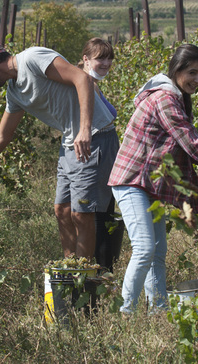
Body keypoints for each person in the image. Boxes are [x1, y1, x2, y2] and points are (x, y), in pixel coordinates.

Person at [108, 43, 198, 315]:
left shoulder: (175, 96)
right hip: (132, 180)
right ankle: (125, 313)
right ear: (177, 70)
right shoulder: (165, 99)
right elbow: (191, 142)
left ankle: (158, 311)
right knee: (143, 249)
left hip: (148, 183)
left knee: (157, 253)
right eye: (192, 72)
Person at [0, 41, 118, 260]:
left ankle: (83, 280)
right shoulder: (14, 92)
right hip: (70, 142)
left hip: (95, 136)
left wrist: (84, 130)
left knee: (81, 215)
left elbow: (82, 78)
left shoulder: (33, 59)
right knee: (62, 211)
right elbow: (1, 137)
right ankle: (68, 269)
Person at [79, 38, 120, 272]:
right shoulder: (84, 84)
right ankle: (99, 270)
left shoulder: (93, 83)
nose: (106, 63)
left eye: (109, 58)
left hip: (106, 148)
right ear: (86, 59)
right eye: (100, 58)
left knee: (104, 207)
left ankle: (103, 270)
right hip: (96, 150)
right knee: (98, 210)